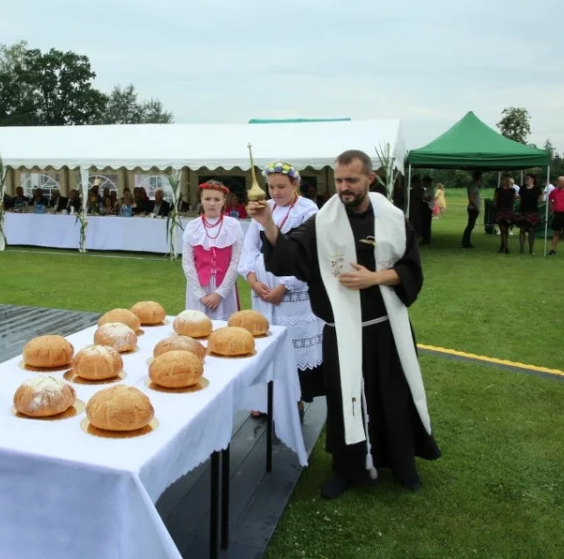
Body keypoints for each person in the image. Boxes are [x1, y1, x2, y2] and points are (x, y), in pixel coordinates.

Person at [248, 149, 440, 498]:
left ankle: (401, 464)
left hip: (385, 327)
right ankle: (346, 469)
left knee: (393, 396)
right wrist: (269, 226)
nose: (344, 187)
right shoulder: (324, 221)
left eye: (351, 180)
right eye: (338, 180)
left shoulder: (393, 218)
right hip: (340, 330)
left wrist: (376, 278)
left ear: (370, 178)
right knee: (342, 398)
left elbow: (412, 269)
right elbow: (292, 255)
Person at [239, 161, 325, 419]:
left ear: (295, 184)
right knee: (266, 344)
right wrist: (253, 279)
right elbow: (250, 247)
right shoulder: (266, 208)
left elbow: (307, 255)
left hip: (293, 298)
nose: (275, 192)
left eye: (281, 187)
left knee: (292, 347)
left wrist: (284, 286)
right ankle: (264, 399)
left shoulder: (308, 210)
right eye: (271, 187)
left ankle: (294, 399)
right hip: (263, 294)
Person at [181, 180, 244, 319]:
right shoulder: (193, 227)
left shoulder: (233, 226)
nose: (211, 203)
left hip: (224, 289)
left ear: (224, 201)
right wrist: (200, 294)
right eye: (207, 199)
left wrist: (219, 293)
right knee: (197, 328)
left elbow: (236, 262)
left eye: (216, 199)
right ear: (201, 200)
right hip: (199, 287)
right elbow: (187, 263)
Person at [515, 174, 542, 255]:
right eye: (525, 178)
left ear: (532, 179)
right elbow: (520, 199)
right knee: (522, 230)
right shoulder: (522, 188)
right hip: (523, 211)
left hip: (533, 211)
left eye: (528, 178)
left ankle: (531, 249)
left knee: (531, 230)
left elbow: (540, 199)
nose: (526, 180)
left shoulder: (537, 189)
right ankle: (521, 249)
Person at [494, 175, 517, 254]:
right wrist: (497, 210)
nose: (503, 181)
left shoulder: (512, 190)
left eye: (504, 180)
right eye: (502, 180)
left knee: (506, 230)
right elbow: (495, 200)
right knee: (503, 229)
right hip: (500, 211)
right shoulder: (498, 190)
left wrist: (510, 210)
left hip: (508, 211)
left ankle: (502, 246)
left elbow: (513, 201)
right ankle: (506, 247)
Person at [461, 171, 482, 248]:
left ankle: (467, 242)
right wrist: (477, 208)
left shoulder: (474, 185)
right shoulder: (473, 186)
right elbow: (471, 199)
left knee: (471, 226)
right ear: (478, 178)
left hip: (473, 208)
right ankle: (464, 242)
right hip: (473, 209)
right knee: (470, 226)